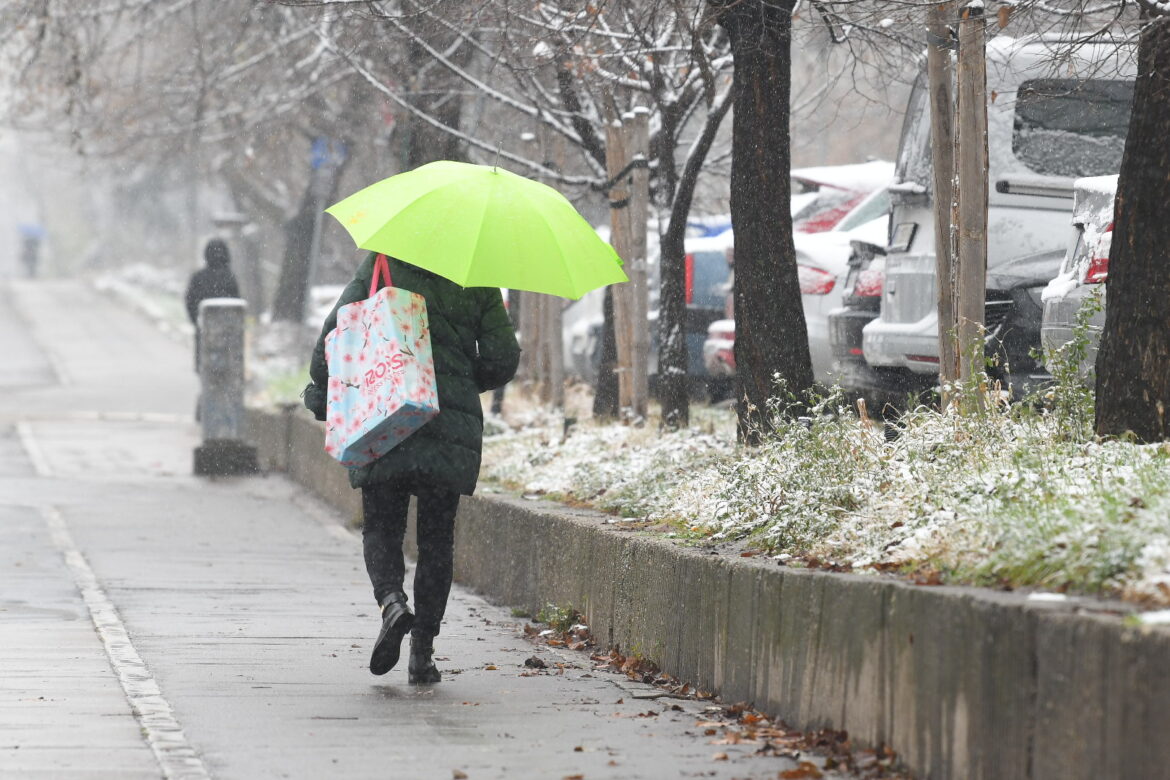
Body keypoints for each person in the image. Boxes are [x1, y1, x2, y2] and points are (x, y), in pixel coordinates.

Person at [303, 252, 519, 683]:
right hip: (447, 422)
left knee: (382, 527)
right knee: (437, 541)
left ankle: (392, 604)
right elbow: (502, 357)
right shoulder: (474, 272)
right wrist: (457, 374)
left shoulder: (383, 260)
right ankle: (423, 651)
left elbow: (336, 332)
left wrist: (322, 390)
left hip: (386, 415)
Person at [184, 238, 241, 371]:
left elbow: (190, 301)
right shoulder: (230, 278)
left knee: (206, 363)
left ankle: (207, 385)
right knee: (226, 365)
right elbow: (236, 304)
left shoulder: (198, 277)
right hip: (227, 332)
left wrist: (196, 321)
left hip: (206, 330)